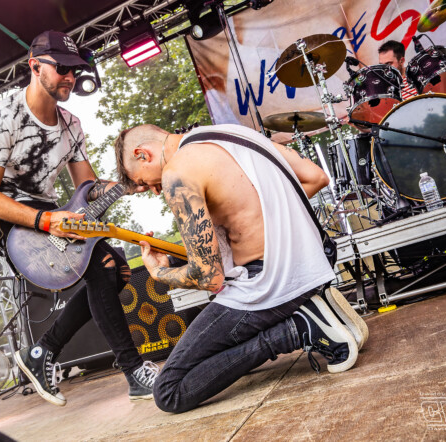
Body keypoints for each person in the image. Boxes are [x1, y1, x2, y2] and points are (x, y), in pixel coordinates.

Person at [113, 123, 368, 413]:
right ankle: (318, 313)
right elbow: (316, 177)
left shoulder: (178, 173)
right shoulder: (233, 134)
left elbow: (209, 278)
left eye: (143, 182)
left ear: (142, 154)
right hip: (311, 264)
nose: (152, 189)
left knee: (169, 392)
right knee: (222, 357)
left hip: (266, 285)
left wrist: (159, 273)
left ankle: (298, 329)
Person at [0, 30, 158, 407]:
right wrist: (45, 222)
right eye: (62, 69)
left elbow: (87, 189)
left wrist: (128, 183)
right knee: (102, 266)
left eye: (75, 69)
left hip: (54, 212)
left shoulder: (71, 124)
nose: (71, 77)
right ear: (35, 66)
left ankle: (41, 353)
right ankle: (134, 371)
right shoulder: (3, 116)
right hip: (10, 221)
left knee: (116, 272)